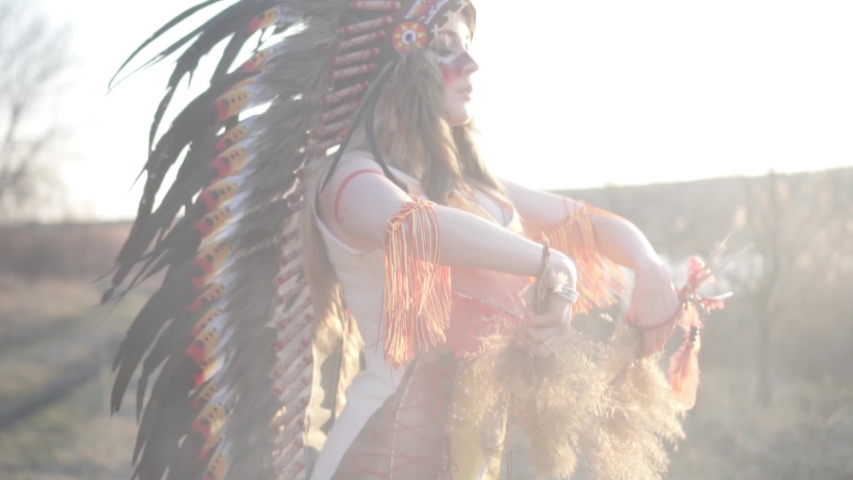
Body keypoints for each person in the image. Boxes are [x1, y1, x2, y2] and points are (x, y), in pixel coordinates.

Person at [104, 1, 688, 479]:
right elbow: (417, 228)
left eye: (468, 44)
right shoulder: (351, 181)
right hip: (382, 454)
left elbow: (588, 223)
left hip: (471, 459)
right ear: (394, 65)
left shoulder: (471, 185)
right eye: (446, 48)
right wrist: (550, 263)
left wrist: (646, 263)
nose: (472, 65)